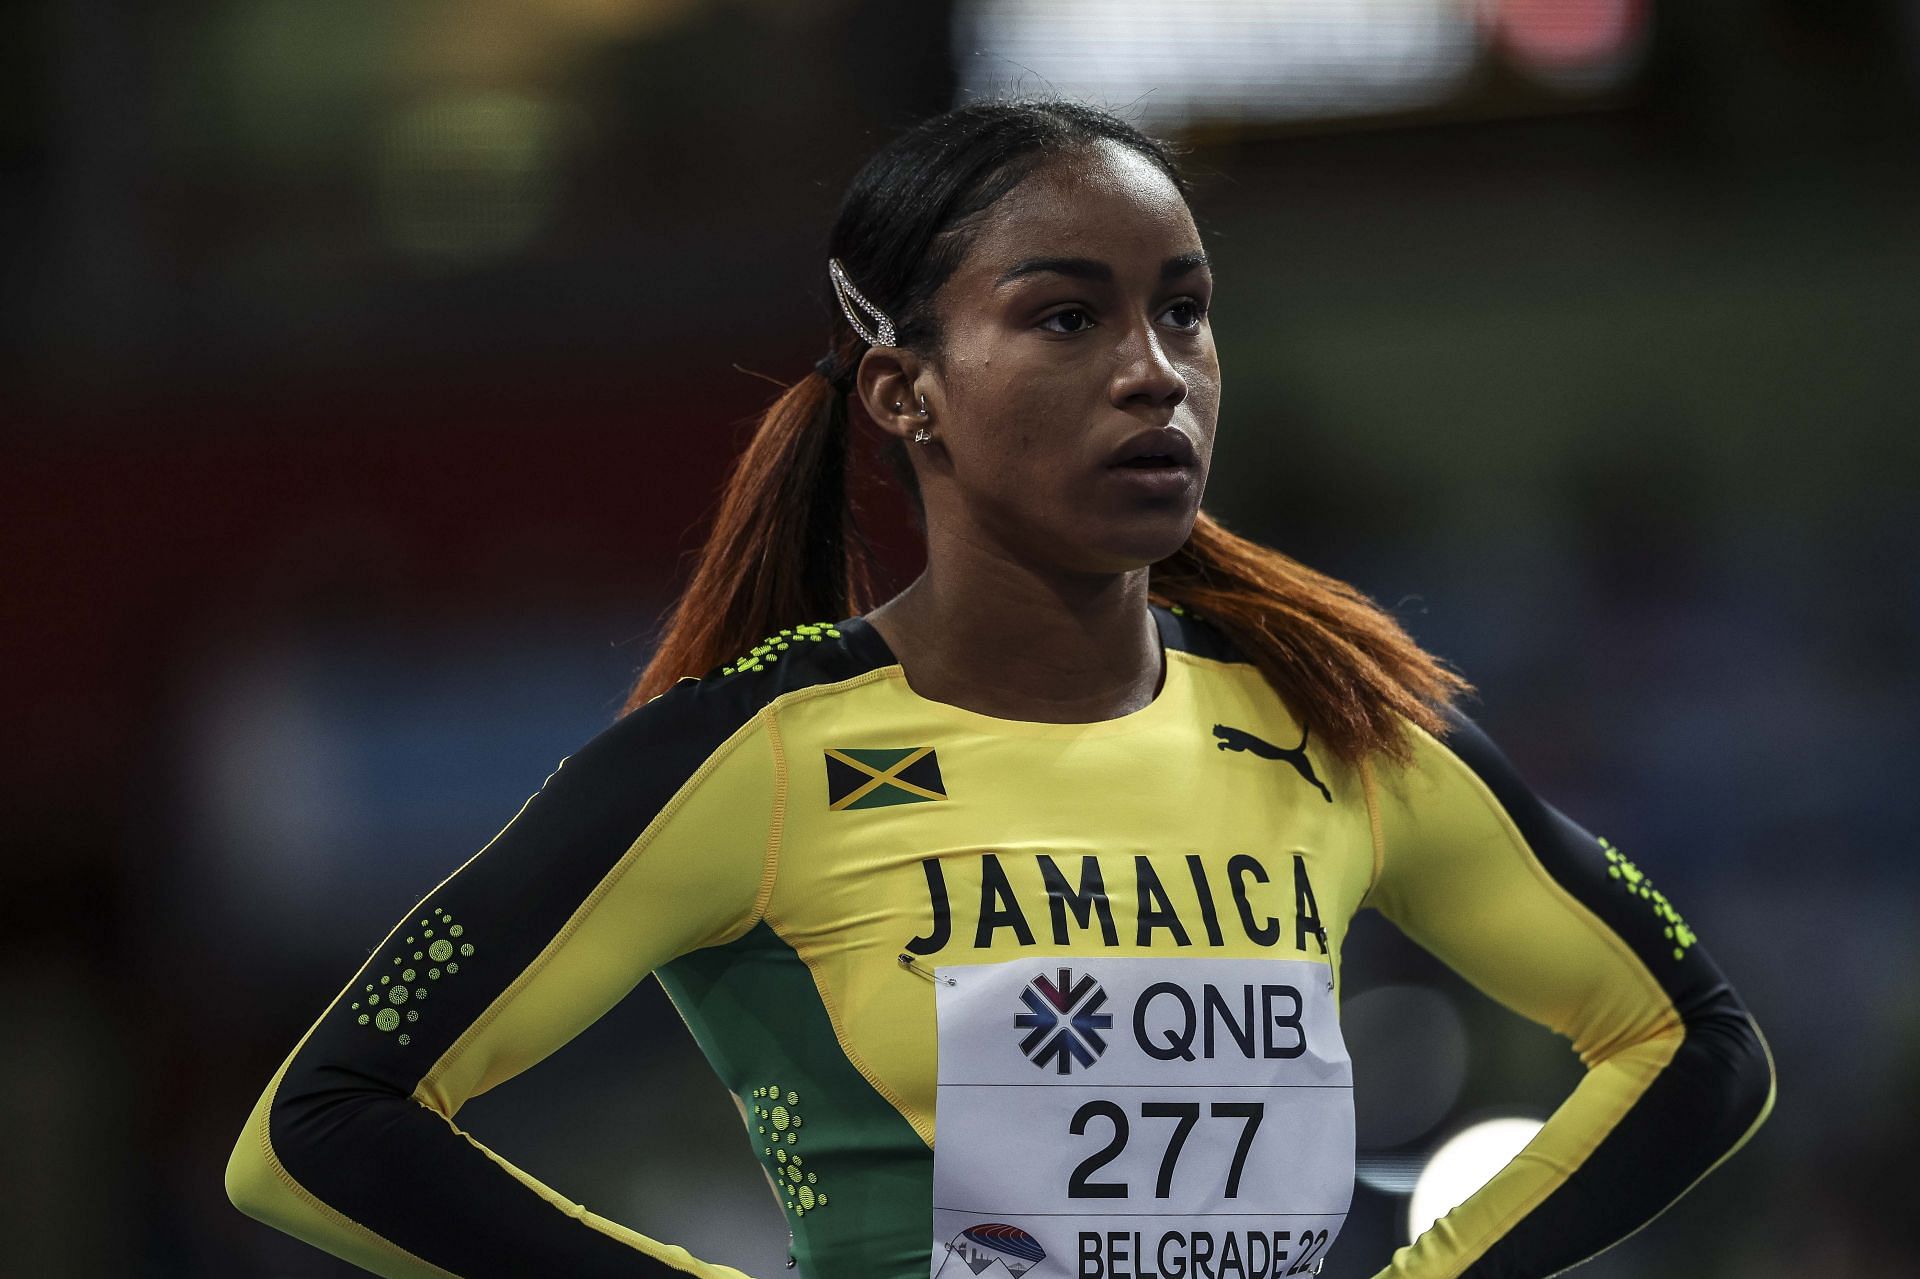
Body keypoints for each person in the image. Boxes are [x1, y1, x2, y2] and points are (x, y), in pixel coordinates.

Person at [225, 96, 1775, 1279]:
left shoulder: (1339, 723)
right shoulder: (757, 760)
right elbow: (321, 1127)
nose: (1155, 368)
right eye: (1065, 316)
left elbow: (1694, 1045)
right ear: (910, 394)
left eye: (1184, 308)